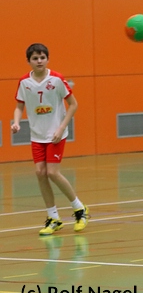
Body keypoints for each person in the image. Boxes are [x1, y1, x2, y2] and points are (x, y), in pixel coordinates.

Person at [11, 43, 89, 236]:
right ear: (28, 61)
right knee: (40, 172)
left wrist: (61, 127)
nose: (39, 61)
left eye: (42, 57)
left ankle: (79, 209)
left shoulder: (56, 79)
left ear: (47, 59)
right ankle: (53, 218)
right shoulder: (24, 82)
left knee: (52, 172)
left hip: (55, 134)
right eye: (35, 58)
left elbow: (73, 104)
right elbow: (19, 106)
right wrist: (16, 122)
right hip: (37, 135)